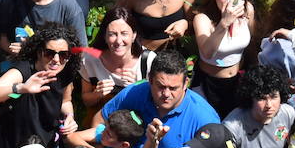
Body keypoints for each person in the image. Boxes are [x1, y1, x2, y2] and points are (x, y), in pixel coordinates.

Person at [0, 23, 79, 148]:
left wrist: (69, 117)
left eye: (63, 55)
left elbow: (65, 101)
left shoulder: (65, 72)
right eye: (49, 53)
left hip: (45, 143)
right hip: (10, 144)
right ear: (39, 52)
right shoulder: (23, 71)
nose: (56, 60)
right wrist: (22, 88)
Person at [93, 49, 221, 140]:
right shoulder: (135, 92)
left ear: (185, 84)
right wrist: (101, 145)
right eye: (160, 87)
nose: (166, 94)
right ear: (150, 79)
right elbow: (99, 119)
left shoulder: (204, 117)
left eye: (173, 88)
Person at [223, 65, 295, 148]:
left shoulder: (288, 113)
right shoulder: (232, 127)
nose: (269, 105)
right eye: (261, 98)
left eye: (274, 97)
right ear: (250, 98)